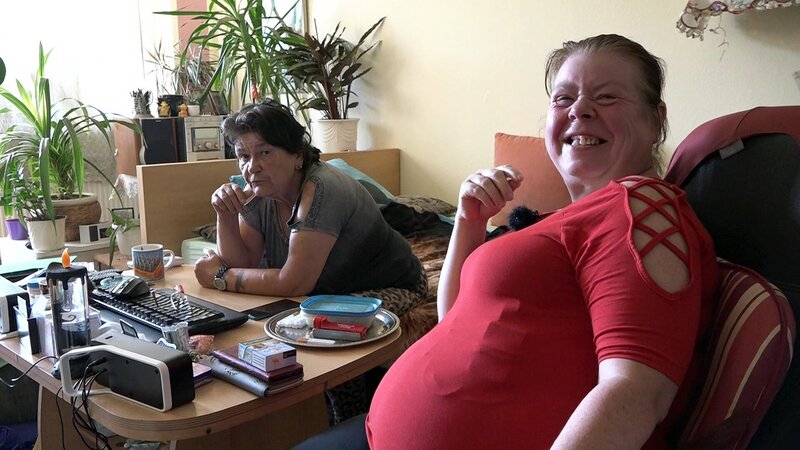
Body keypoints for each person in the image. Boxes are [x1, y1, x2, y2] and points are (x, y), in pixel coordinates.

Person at [361, 34, 719, 449]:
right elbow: (455, 316)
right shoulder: (566, 219)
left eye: (606, 97)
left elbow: (637, 392)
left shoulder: (638, 204)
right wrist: (469, 220)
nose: (579, 109)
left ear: (655, 121)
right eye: (563, 98)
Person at [194, 99, 425, 314]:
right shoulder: (259, 192)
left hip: (390, 286)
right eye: (244, 156)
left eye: (265, 153)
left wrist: (220, 277)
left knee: (310, 325)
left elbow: (294, 283)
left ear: (298, 156)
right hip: (324, 291)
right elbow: (243, 265)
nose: (252, 167)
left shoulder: (322, 188)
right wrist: (225, 214)